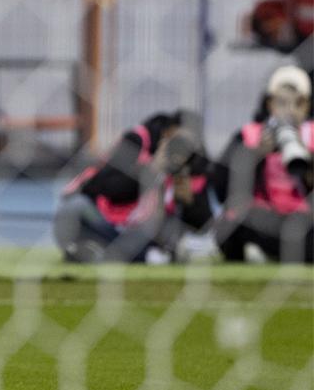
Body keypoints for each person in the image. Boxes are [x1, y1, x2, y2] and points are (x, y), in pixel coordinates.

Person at [53, 111, 210, 263]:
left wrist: (185, 190)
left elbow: (200, 223)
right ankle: (131, 255)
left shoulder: (191, 166)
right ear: (167, 133)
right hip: (110, 223)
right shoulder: (137, 142)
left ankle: (112, 254)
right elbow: (105, 187)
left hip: (149, 234)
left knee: (172, 232)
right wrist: (153, 169)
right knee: (74, 207)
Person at [210, 66, 313, 263]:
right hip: (260, 216)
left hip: (304, 221)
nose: (290, 110)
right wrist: (256, 156)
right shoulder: (248, 136)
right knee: (232, 223)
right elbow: (220, 189)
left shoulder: (311, 136)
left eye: (298, 103)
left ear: (307, 105)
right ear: (269, 103)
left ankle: (268, 253)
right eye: (282, 102)